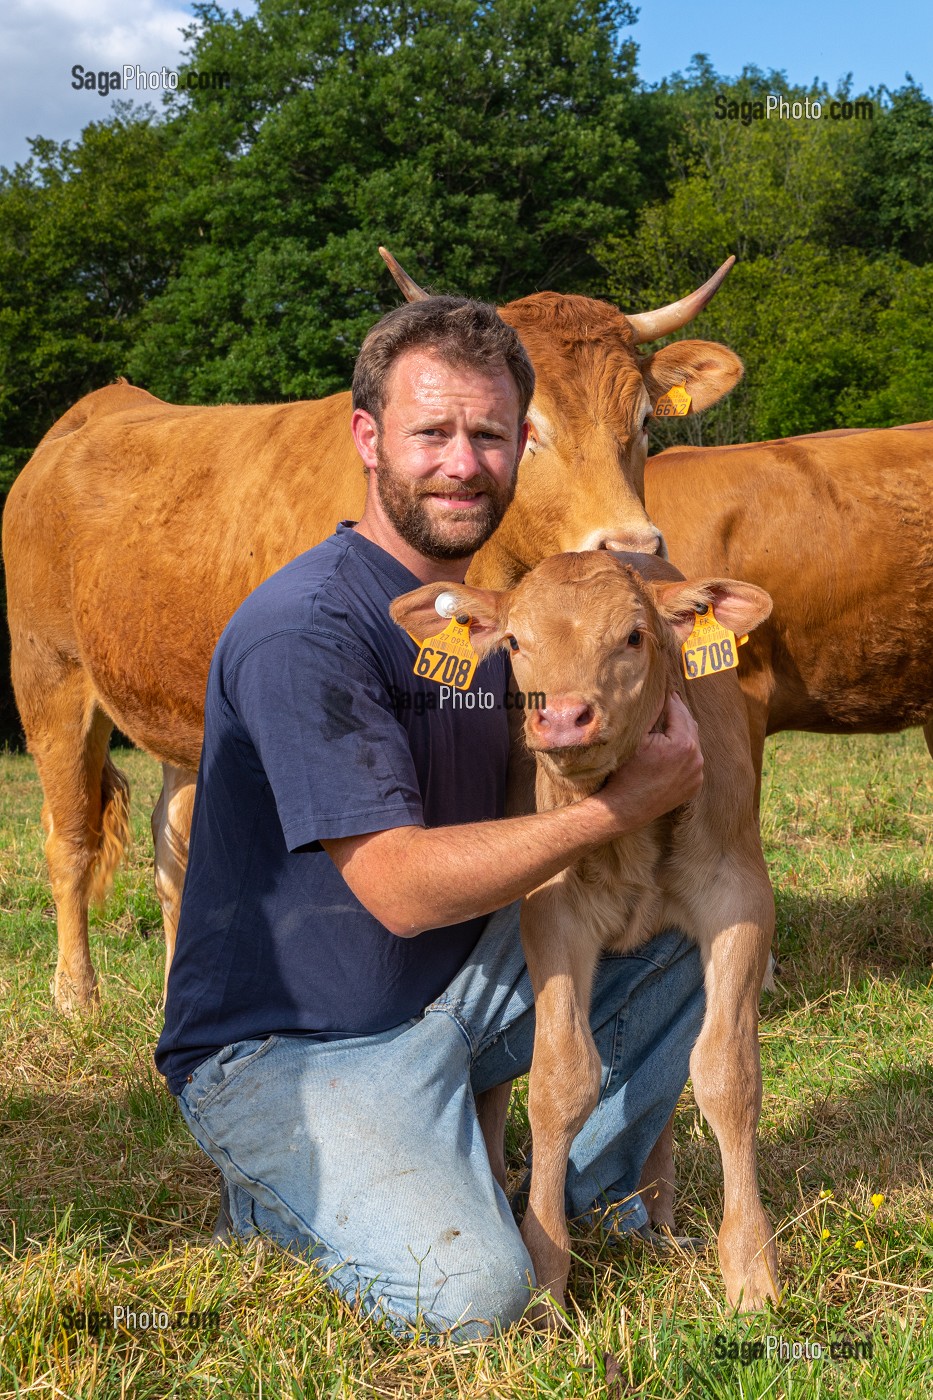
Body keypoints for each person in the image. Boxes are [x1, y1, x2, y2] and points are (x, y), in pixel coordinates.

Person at [156, 295, 706, 1339]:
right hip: (293, 1047)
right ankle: (276, 1194)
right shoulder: (305, 628)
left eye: (492, 435)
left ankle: (524, 1169)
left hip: (449, 999)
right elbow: (400, 889)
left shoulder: (497, 619)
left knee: (681, 928)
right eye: (432, 433)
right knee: (476, 1297)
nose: (464, 463)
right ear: (368, 439)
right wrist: (618, 812)